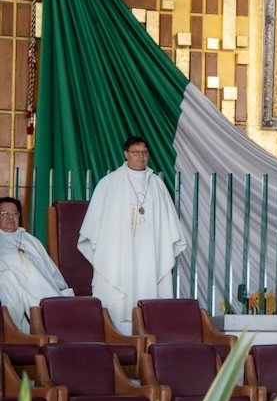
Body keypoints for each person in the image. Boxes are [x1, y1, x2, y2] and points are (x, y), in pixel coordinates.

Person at [78, 136, 188, 324]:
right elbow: (94, 226)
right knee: (118, 294)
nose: (141, 157)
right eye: (136, 152)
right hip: (118, 254)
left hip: (150, 253)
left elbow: (168, 227)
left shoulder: (157, 185)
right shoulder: (109, 183)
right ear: (126, 154)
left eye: (145, 152)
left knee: (149, 288)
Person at [0, 197, 73, 332]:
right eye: (4, 213)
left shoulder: (30, 240)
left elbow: (50, 269)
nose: (11, 217)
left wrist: (62, 289)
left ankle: (54, 322)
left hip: (43, 287)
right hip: (9, 286)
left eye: (15, 213)